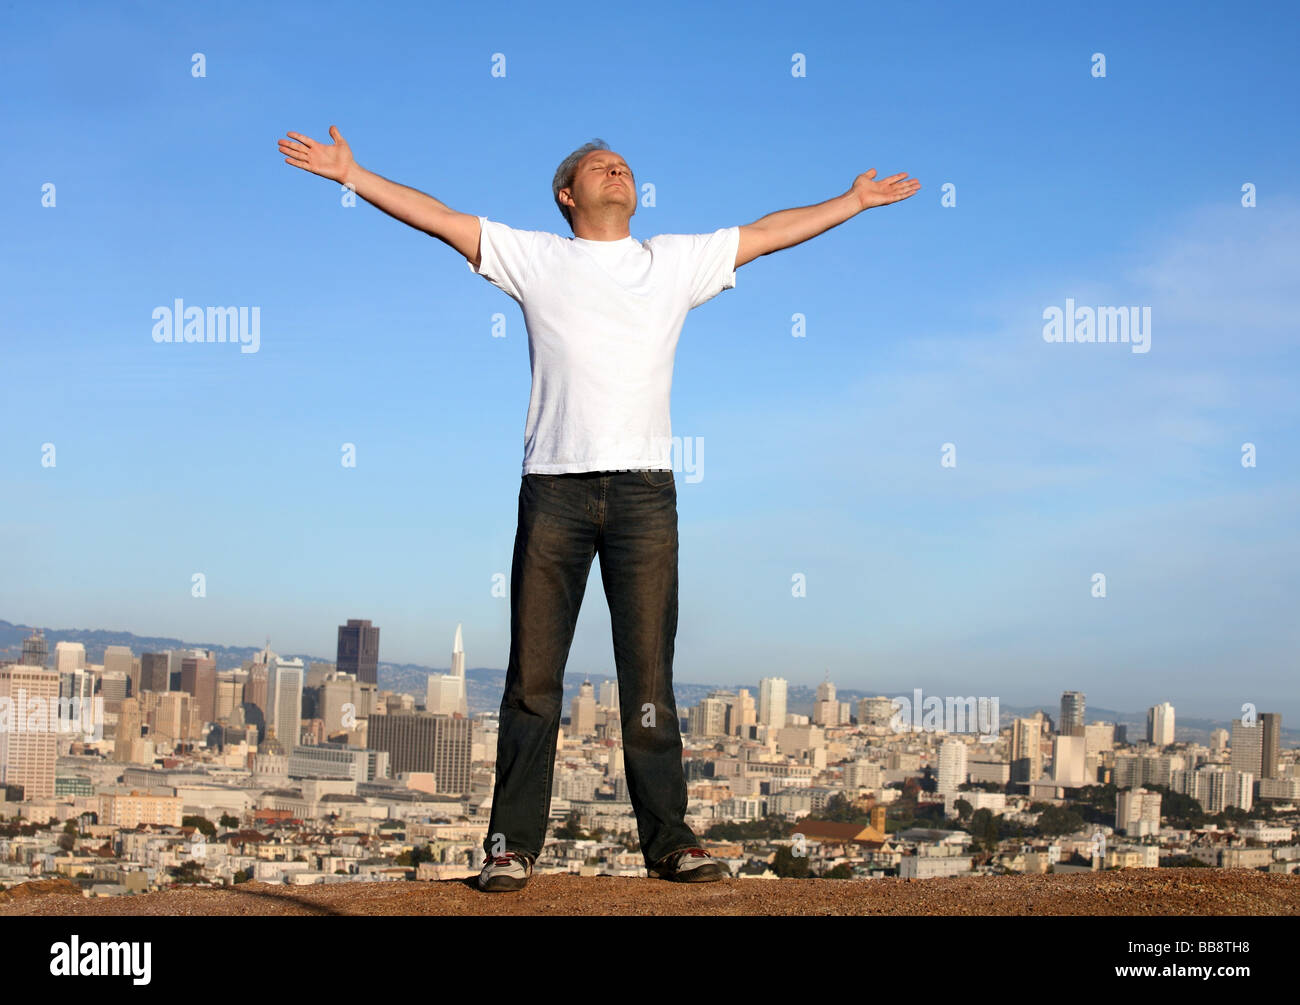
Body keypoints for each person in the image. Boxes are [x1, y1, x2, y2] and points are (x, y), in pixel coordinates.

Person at [277, 127, 920, 891]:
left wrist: (851, 200)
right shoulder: (536, 256)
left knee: (649, 678)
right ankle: (510, 845)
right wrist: (353, 174)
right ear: (567, 195)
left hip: (646, 491)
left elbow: (768, 233)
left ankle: (672, 843)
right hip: (555, 486)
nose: (616, 169)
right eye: (597, 166)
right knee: (532, 679)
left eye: (624, 165)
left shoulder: (672, 260)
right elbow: (437, 217)